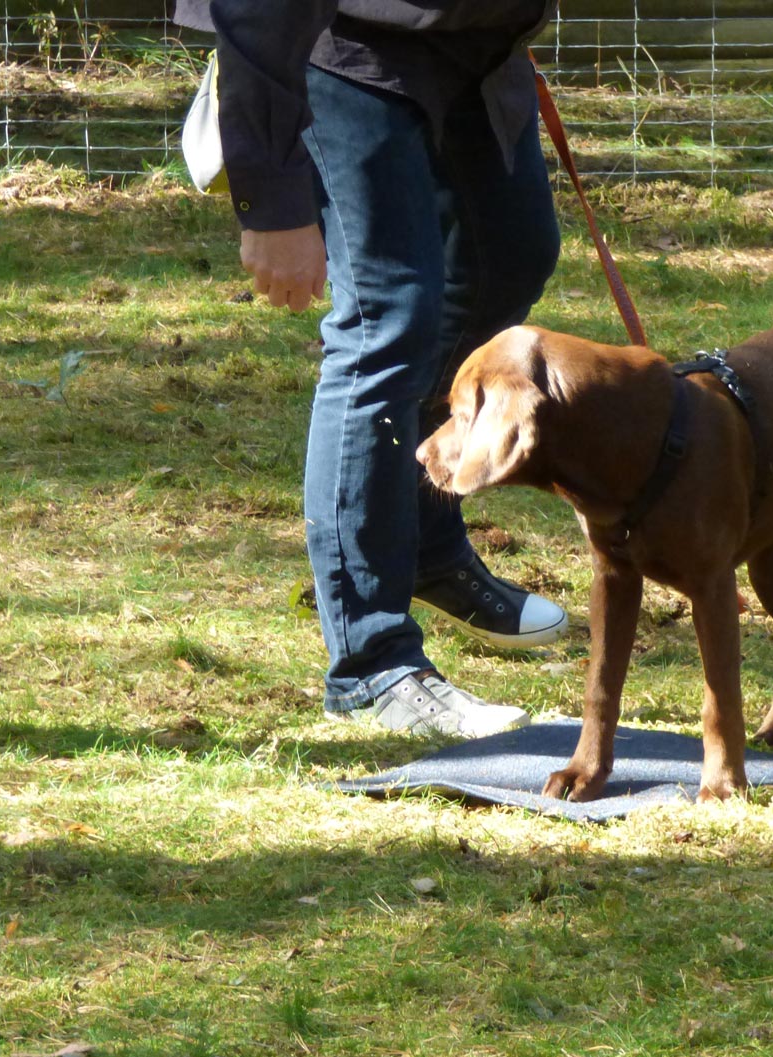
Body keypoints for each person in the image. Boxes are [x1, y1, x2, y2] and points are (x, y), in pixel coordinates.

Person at [174, 0, 567, 736]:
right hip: (335, 43)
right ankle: (370, 661)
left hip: (476, 49)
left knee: (507, 261)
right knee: (389, 318)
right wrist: (272, 196)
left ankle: (418, 540)